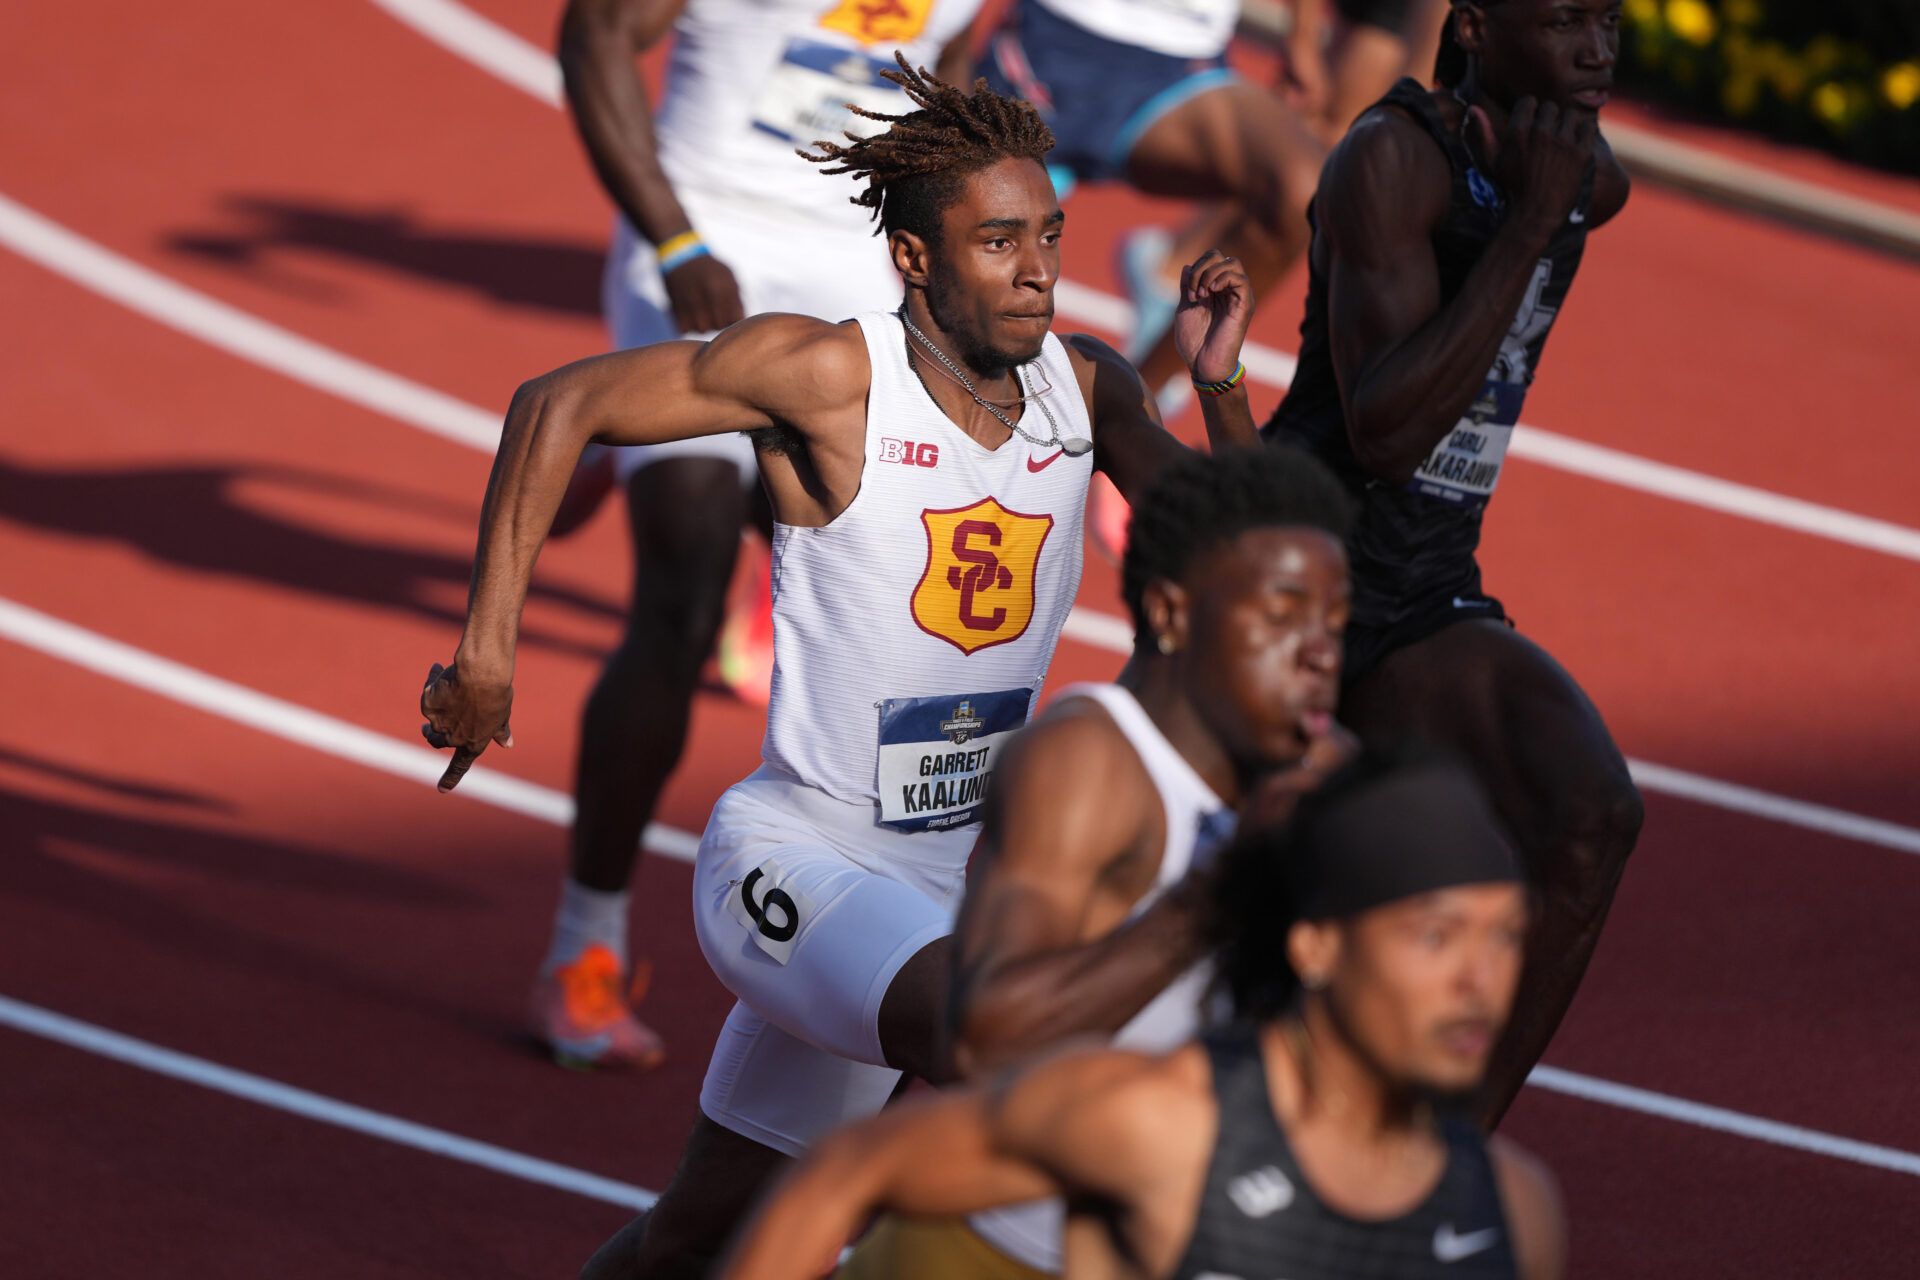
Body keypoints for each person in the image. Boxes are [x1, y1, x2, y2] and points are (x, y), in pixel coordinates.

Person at [418, 60, 1260, 1277]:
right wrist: (487, 653)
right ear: (915, 258)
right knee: (1006, 1042)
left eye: (1050, 236)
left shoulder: (1087, 389)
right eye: (1000, 242)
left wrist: (1220, 383)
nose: (1039, 269)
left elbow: (1243, 545)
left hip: (951, 892)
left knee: (695, 1236)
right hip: (800, 861)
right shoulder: (830, 377)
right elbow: (559, 402)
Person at [529, 0, 985, 1070]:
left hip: (851, 277)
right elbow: (593, 34)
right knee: (680, 599)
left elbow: (948, 92)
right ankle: (584, 945)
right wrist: (672, 234)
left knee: (886, 601)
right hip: (706, 242)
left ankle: (651, 455)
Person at [716, 751, 1567, 1280]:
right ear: (1317, 948)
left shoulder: (1515, 1213)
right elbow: (846, 1171)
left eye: (1507, 937)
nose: (1481, 980)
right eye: (1436, 936)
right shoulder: (1163, 1122)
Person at [827, 446, 1352, 1277]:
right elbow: (984, 1040)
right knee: (717, 1214)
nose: (1320, 651)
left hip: (1181, 1252)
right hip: (996, 1252)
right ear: (1172, 615)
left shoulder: (1323, 783)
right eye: (1283, 615)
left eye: (1335, 621)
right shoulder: (1091, 761)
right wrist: (1219, 892)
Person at [1262, 0, 1639, 1123]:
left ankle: (1445, 1166)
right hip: (1295, 571)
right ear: (1473, 25)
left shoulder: (1577, 171)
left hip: (1421, 583)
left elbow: (1602, 186)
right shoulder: (1390, 159)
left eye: (1610, 20)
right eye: (1564, 21)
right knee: (1212, 905)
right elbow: (1385, 433)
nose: (1597, 49)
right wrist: (1524, 231)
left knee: (1591, 813)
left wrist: (1541, 198)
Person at [974, 0, 1328, 398]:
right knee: (965, 253)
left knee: (1301, 192)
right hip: (1055, 38)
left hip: (1183, 62)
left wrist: (1302, 37)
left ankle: (1136, 402)